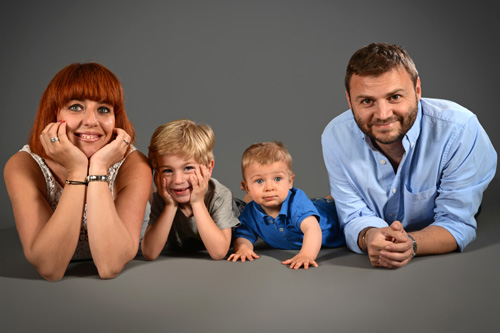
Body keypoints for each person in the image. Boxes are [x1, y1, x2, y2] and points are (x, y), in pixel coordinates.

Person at [321, 43, 497, 269]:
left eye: (394, 97)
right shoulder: (336, 136)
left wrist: (410, 244)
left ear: (417, 90)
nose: (383, 115)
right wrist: (371, 236)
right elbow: (354, 215)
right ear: (349, 101)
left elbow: (455, 222)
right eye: (367, 101)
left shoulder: (460, 130)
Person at [3, 63, 152, 280]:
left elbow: (110, 265)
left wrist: (99, 168)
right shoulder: (23, 166)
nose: (91, 121)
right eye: (75, 107)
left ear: (115, 119)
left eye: (103, 109)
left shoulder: (134, 165)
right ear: (53, 113)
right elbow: (50, 268)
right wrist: (78, 170)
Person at [228, 141, 345, 269]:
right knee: (314, 204)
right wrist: (244, 248)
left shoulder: (296, 202)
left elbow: (312, 229)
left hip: (335, 217)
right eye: (259, 181)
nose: (269, 188)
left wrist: (306, 254)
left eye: (277, 179)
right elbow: (243, 235)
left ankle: (335, 196)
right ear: (247, 188)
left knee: (338, 203)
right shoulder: (250, 212)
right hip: (312, 205)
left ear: (290, 181)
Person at [141, 119, 241, 260]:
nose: (178, 180)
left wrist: (197, 202)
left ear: (209, 168)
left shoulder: (220, 195)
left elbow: (219, 253)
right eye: (168, 170)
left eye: (188, 168)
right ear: (157, 173)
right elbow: (149, 253)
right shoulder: (163, 198)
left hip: (241, 215)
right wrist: (170, 206)